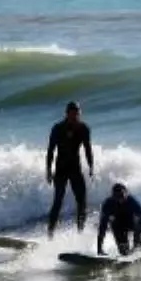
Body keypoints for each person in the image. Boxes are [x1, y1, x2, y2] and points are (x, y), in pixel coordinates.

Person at [47, 101, 94, 237]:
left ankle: (80, 232)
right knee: (58, 201)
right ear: (67, 114)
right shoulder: (57, 128)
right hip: (61, 168)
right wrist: (48, 171)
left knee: (82, 200)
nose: (75, 117)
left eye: (77, 114)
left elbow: (87, 149)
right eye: (72, 114)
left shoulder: (83, 128)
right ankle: (50, 234)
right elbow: (50, 151)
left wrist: (91, 165)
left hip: (75, 168)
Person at [97, 183, 141, 257]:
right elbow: (102, 226)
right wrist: (99, 248)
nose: (120, 199)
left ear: (126, 193)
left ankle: (138, 246)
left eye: (122, 195)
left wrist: (136, 245)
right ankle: (126, 250)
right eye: (117, 196)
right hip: (118, 226)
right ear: (113, 196)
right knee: (125, 253)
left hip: (131, 222)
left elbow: (137, 226)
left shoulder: (133, 203)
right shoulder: (108, 204)